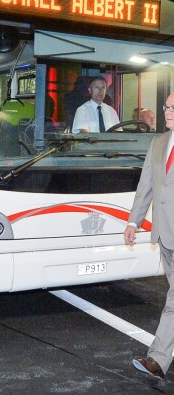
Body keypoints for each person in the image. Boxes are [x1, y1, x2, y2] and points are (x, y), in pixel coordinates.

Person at [125, 93, 174, 380]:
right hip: (164, 235)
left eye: (173, 108)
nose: (167, 112)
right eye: (167, 107)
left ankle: (157, 359)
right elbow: (146, 185)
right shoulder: (157, 143)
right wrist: (133, 221)